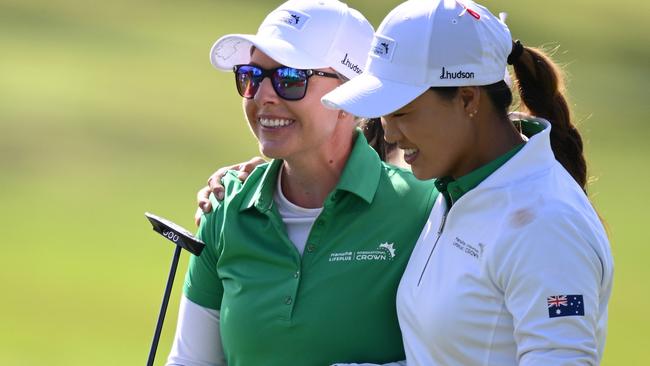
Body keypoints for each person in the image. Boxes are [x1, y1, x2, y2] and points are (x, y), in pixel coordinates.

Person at [321, 0, 614, 365]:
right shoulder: (456, 186)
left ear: (467, 99)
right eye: (383, 115)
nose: (390, 133)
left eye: (402, 112)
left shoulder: (546, 223)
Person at [167, 1, 436, 365]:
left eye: (289, 79)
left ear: (351, 96)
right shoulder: (226, 206)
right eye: (251, 76)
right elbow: (190, 360)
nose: (263, 96)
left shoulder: (425, 208)